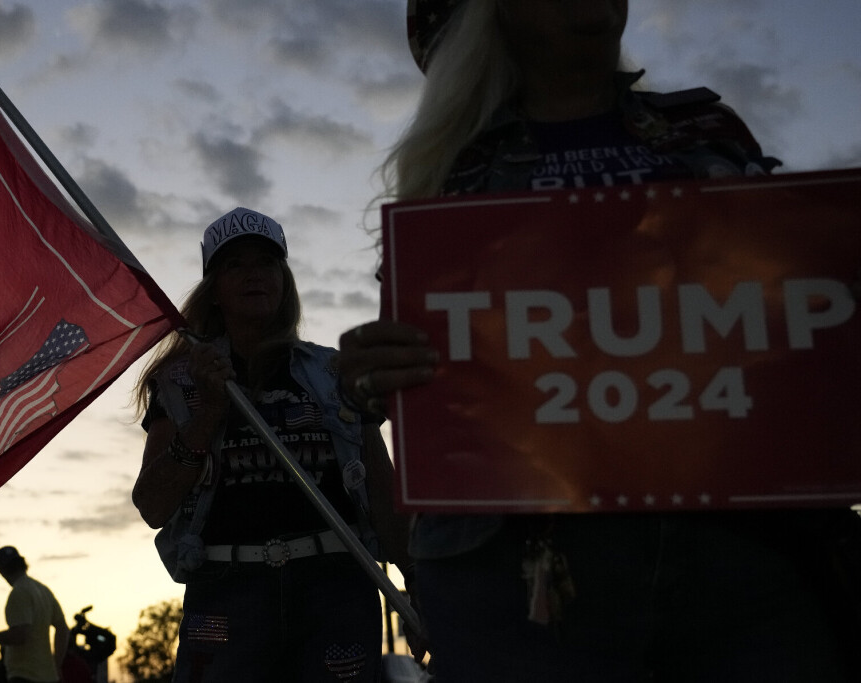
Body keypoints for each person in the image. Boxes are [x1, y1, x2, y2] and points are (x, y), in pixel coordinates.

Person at [337, 0, 861, 681]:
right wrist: (371, 375)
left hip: (740, 553)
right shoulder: (454, 171)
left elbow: (791, 313)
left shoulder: (703, 125)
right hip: (526, 582)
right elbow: (415, 375)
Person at [131, 207, 418, 682]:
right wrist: (206, 416)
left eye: (266, 262)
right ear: (215, 290)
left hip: (337, 586)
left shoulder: (336, 372)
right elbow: (152, 505)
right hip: (225, 591)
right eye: (234, 265)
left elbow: (382, 489)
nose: (253, 275)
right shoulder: (179, 382)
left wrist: (417, 582)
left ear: (284, 281)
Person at [0, 546, 70, 683]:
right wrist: (56, 665)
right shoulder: (43, 590)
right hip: (48, 677)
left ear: (2, 571)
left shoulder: (19, 593)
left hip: (25, 676)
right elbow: (63, 629)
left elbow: (19, 636)